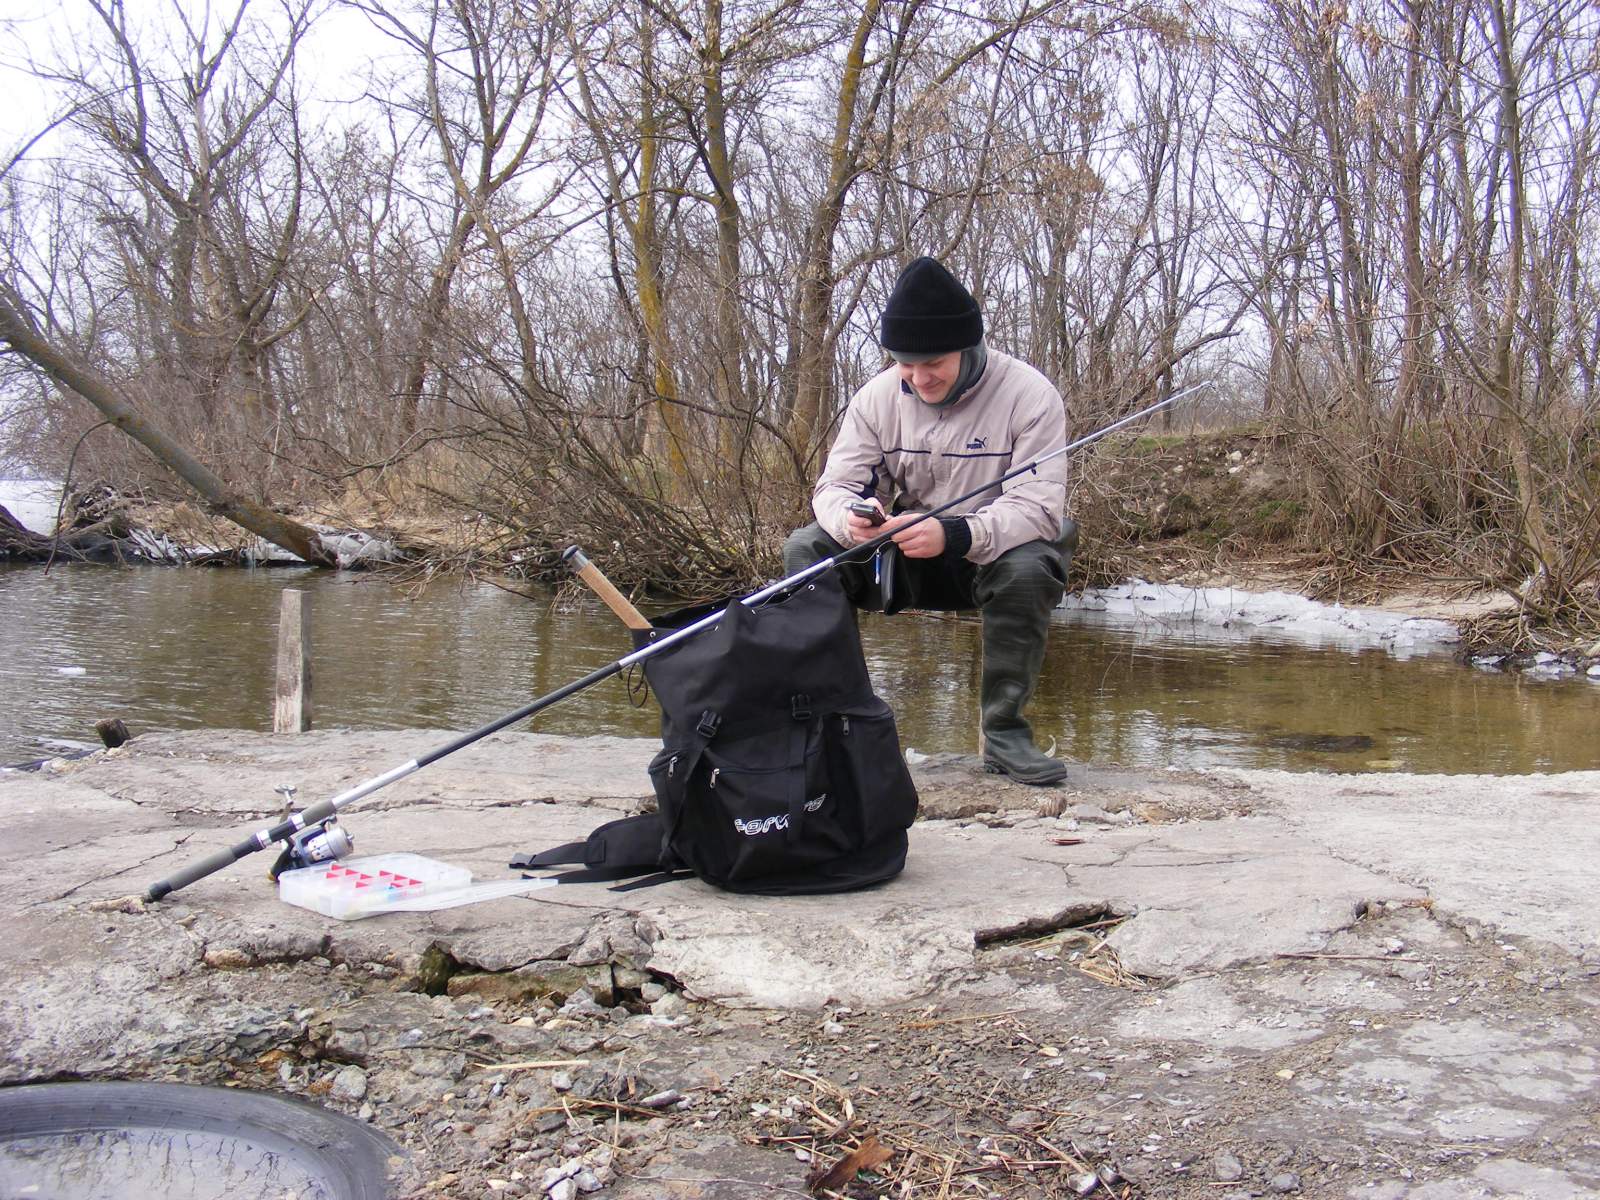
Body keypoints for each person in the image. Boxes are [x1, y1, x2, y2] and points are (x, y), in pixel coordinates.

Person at [783, 255, 1074, 786]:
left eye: (933, 362)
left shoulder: (1030, 396)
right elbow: (835, 488)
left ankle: (1004, 736)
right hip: (902, 554)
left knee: (1031, 565)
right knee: (806, 552)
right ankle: (835, 727)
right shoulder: (875, 399)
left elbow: (1037, 507)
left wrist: (957, 533)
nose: (919, 378)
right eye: (905, 364)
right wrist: (854, 521)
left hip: (988, 556)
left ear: (967, 346)